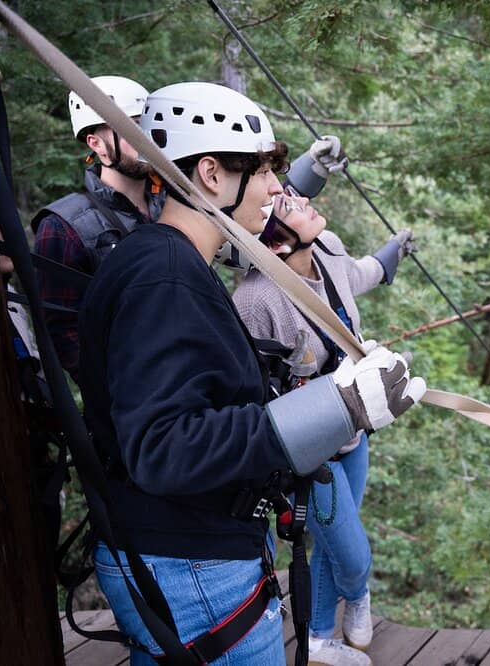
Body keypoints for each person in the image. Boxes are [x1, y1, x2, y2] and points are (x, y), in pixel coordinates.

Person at [76, 81, 425, 665]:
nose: (274, 187)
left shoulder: (165, 259)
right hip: (191, 568)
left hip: (174, 553)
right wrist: (339, 408)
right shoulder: (165, 278)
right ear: (211, 174)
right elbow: (163, 447)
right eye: (264, 169)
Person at [233, 187, 415, 659]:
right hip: (310, 454)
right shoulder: (255, 301)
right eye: (290, 207)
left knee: (336, 546)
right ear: (275, 245)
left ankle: (316, 638)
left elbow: (358, 275)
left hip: (353, 436)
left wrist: (394, 251)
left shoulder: (328, 248)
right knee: (353, 557)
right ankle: (357, 597)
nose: (303, 201)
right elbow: (249, 391)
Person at [32, 76, 164, 383]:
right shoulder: (63, 227)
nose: (148, 138)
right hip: (131, 400)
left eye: (149, 125)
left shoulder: (172, 205)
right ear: (96, 144)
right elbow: (64, 335)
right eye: (132, 127)